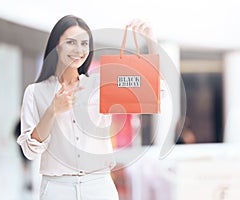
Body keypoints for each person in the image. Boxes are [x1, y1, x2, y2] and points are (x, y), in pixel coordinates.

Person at [17, 15, 157, 200]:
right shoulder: (35, 92)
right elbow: (30, 151)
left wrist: (151, 43)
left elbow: (152, 91)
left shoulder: (101, 85)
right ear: (56, 45)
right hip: (57, 189)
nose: (79, 50)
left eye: (84, 44)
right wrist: (52, 111)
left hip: (98, 187)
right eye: (71, 42)